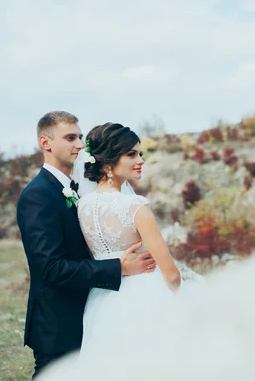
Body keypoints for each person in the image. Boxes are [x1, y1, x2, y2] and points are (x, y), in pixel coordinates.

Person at [16, 112, 157, 379]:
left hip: (93, 312)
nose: (80, 144)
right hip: (59, 322)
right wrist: (118, 267)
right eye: (70, 137)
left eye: (80, 137)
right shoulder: (37, 196)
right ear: (45, 143)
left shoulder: (82, 189)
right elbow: (51, 268)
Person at [72, 122, 182, 361]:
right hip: (144, 298)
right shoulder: (135, 206)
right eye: (131, 154)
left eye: (140, 153)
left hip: (101, 300)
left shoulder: (82, 205)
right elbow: (172, 275)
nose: (140, 160)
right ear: (109, 160)